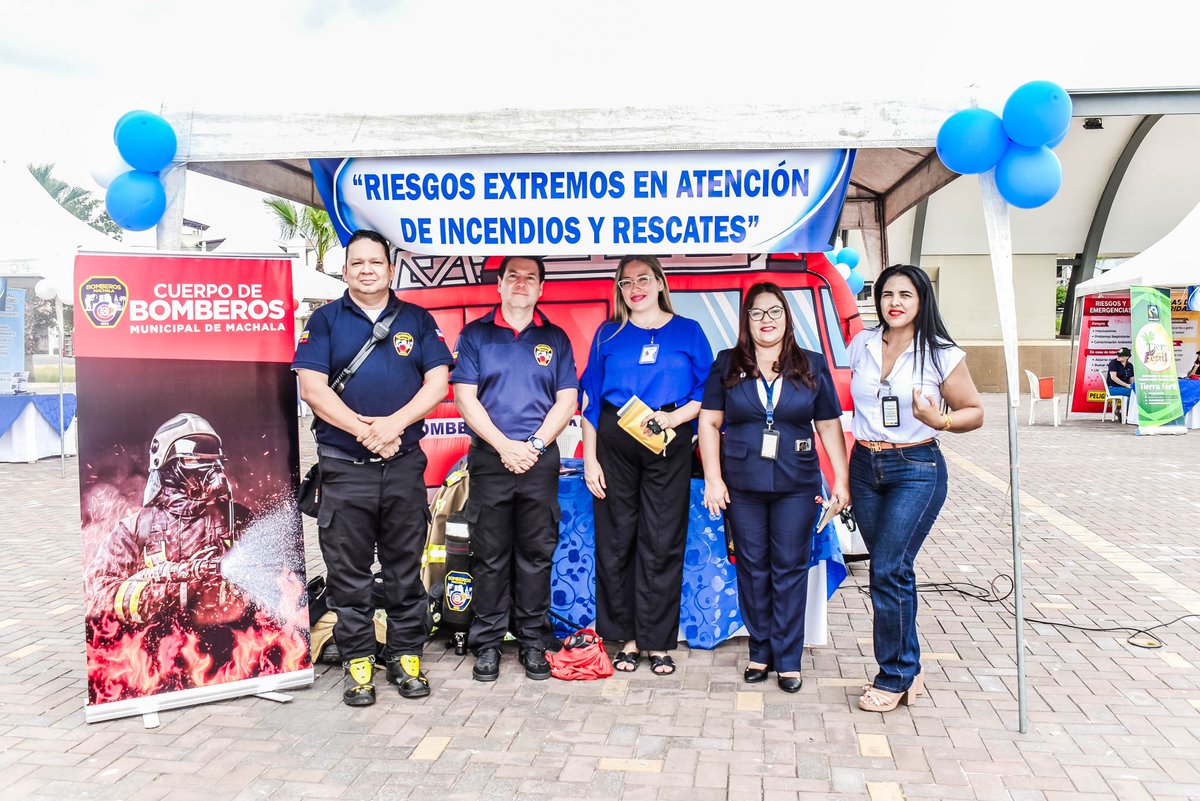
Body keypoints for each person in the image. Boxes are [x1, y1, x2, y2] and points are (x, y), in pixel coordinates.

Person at [293, 229, 452, 706]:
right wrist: (368, 432)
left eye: (375, 262)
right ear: (345, 271)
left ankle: (406, 656)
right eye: (357, 263)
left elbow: (438, 383)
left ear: (389, 269)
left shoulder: (418, 320)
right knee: (349, 574)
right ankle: (358, 662)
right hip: (344, 469)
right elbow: (312, 389)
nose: (366, 269)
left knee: (405, 569)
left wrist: (394, 427)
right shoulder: (323, 321)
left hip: (403, 466)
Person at [697, 283, 849, 693]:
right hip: (742, 485)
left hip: (797, 485)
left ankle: (788, 657)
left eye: (774, 311)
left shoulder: (811, 364)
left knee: (789, 569)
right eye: (757, 313)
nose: (766, 320)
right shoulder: (727, 363)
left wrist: (841, 480)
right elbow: (709, 423)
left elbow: (829, 426)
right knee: (751, 568)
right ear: (746, 320)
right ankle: (760, 650)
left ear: (787, 317)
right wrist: (713, 478)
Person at [848, 264, 983, 713]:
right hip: (865, 465)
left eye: (905, 294)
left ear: (922, 300)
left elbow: (974, 412)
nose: (895, 303)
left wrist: (939, 420)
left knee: (887, 568)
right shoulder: (862, 345)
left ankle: (895, 675)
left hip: (916, 465)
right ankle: (909, 666)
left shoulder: (941, 353)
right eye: (887, 294)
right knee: (892, 569)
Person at [580, 255, 713, 676]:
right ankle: (629, 640)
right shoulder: (607, 334)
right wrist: (589, 459)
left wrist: (674, 419)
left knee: (662, 539)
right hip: (614, 443)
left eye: (642, 279)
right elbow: (589, 399)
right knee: (618, 540)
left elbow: (707, 393)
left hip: (667, 439)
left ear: (659, 282)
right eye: (625, 282)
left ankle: (657, 643)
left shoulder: (688, 332)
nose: (634, 287)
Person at [452, 256, 579, 682]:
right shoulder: (475, 335)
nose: (521, 284)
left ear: (541, 288)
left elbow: (566, 400)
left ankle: (532, 641)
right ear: (500, 286)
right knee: (489, 555)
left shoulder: (556, 338)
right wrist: (505, 446)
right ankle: (486, 642)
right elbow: (465, 398)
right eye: (513, 277)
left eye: (530, 278)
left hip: (539, 461)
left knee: (536, 554)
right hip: (490, 459)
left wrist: (535, 445)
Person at [85, 413, 250, 628]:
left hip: (233, 650)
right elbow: (97, 589)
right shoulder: (136, 528)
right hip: (159, 653)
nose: (210, 470)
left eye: (213, 461)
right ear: (167, 466)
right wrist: (165, 596)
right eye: (195, 460)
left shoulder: (237, 519)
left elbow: (276, 580)